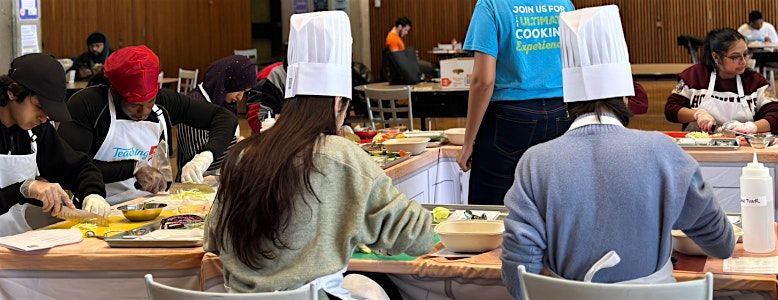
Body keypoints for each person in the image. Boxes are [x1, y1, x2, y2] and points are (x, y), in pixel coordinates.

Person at [501, 6, 735, 299]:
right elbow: (722, 244)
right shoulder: (663, 152)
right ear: (626, 96)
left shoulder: (535, 163)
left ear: (568, 100)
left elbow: (517, 272)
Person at [205, 11, 433, 299]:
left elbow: (212, 239)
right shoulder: (344, 157)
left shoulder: (242, 155)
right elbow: (418, 234)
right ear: (339, 103)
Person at [58, 46, 238, 204]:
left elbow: (224, 118)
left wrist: (205, 157)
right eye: (134, 105)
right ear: (115, 93)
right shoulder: (87, 105)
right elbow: (68, 165)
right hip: (97, 203)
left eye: (149, 102)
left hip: (148, 204)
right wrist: (133, 168)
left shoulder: (164, 102)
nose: (143, 112)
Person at [457, 0, 575, 205]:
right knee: (551, 207)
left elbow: (483, 81)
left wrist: (468, 142)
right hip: (561, 111)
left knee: (492, 212)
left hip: (509, 120)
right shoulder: (563, 4)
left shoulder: (491, 5)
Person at [0, 53, 108, 236]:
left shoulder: (36, 131)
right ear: (13, 92)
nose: (44, 118)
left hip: (16, 244)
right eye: (40, 107)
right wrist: (23, 189)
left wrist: (92, 193)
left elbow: (78, 167)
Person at [665, 28, 778, 133]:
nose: (743, 61)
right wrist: (696, 114)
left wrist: (751, 127)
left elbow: (775, 114)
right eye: (735, 57)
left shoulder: (756, 82)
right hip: (699, 145)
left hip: (742, 147)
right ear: (716, 57)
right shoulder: (694, 76)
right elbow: (671, 109)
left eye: (745, 54)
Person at [176, 55, 256, 180]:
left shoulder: (226, 103)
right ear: (226, 83)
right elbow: (196, 156)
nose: (240, 97)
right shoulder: (194, 105)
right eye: (238, 90)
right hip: (195, 184)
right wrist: (238, 145)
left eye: (245, 92)